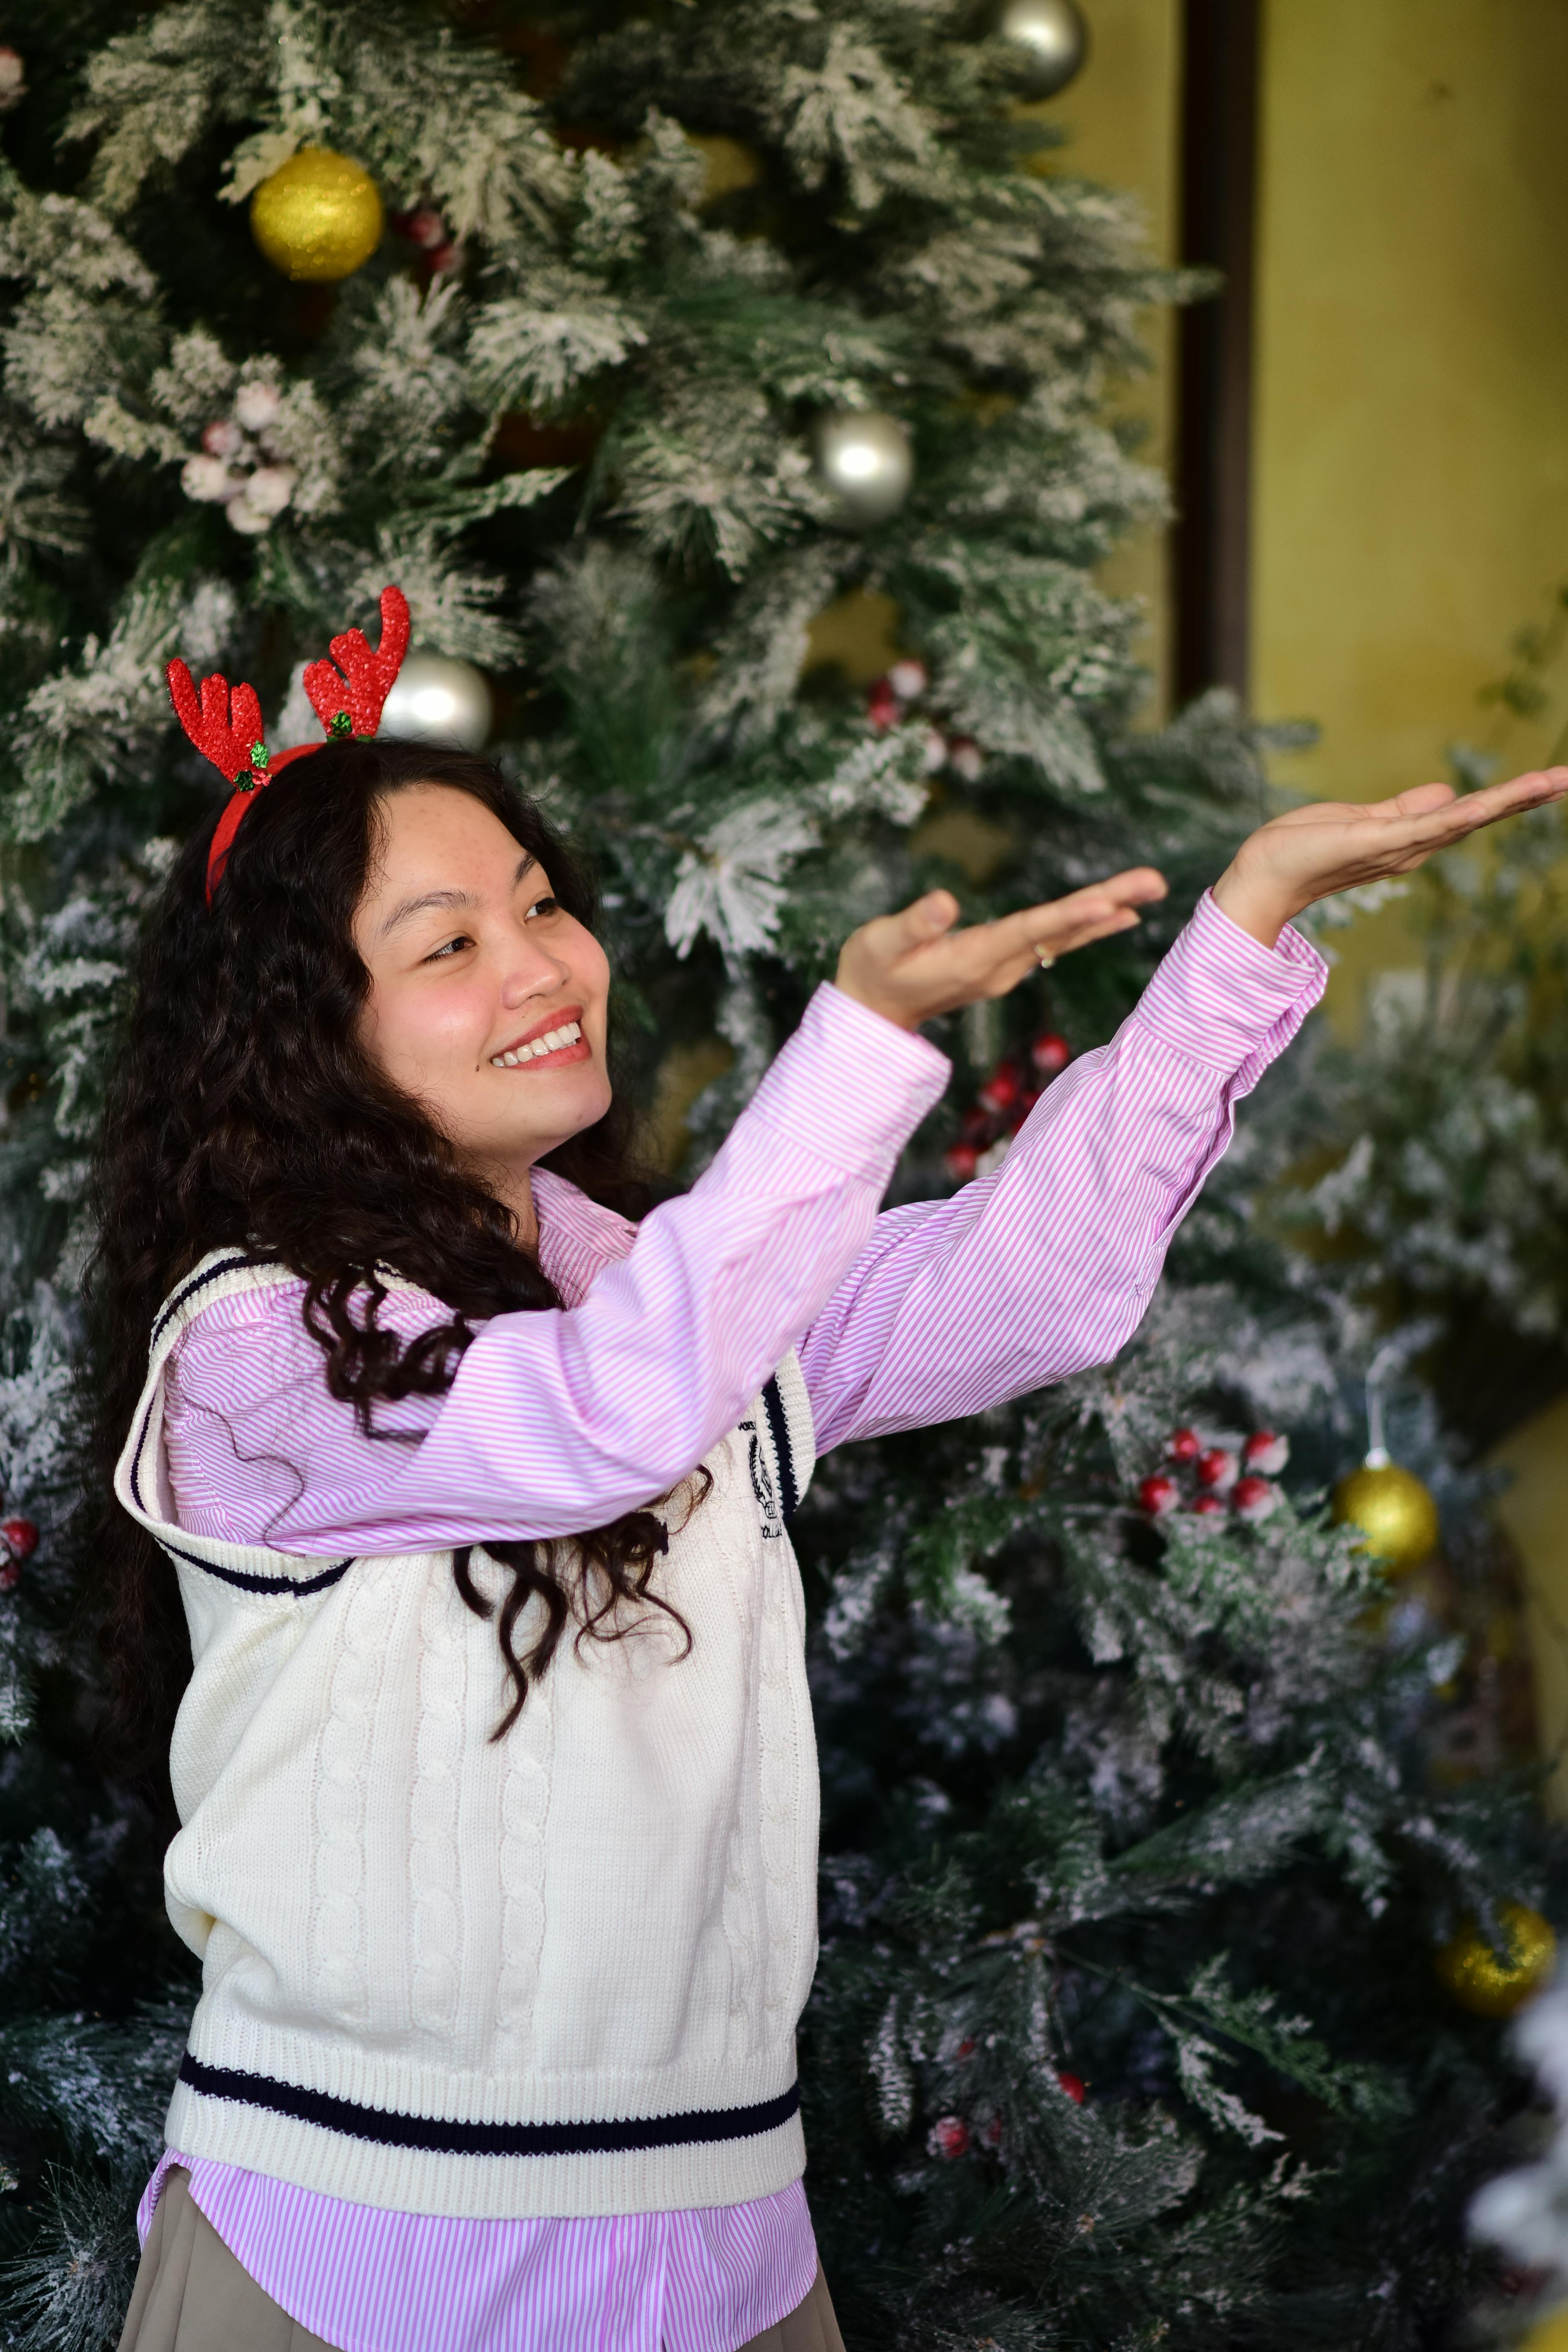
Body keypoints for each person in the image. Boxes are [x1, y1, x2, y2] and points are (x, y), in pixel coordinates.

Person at [96, 597, 1567, 2352]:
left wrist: (1238, 931)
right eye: (446, 944)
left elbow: (1018, 1285)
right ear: (302, 1032)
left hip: (725, 2244)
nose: (546, 966)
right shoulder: (256, 1352)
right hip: (352, 2244)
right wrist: (856, 1047)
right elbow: (596, 1415)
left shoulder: (678, 1298)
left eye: (544, 904)